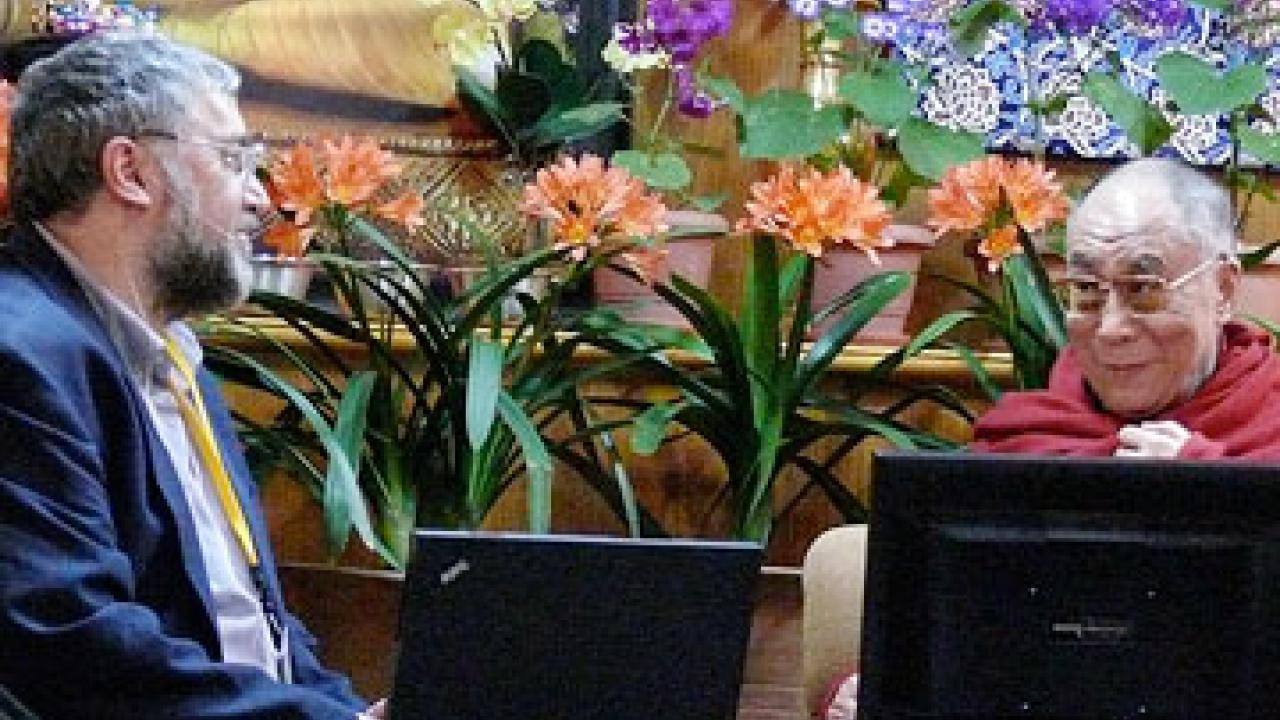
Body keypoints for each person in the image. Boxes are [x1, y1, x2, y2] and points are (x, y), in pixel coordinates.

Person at [0, 33, 386, 718]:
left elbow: (252, 622)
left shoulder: (171, 350)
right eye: (234, 159)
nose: (259, 199)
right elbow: (73, 643)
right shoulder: (21, 353)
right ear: (131, 172)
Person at [972, 157, 1280, 459]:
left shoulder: (1271, 416)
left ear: (1222, 289)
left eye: (1142, 288)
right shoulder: (1027, 440)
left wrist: (1206, 483)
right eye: (1087, 289)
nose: (1110, 330)